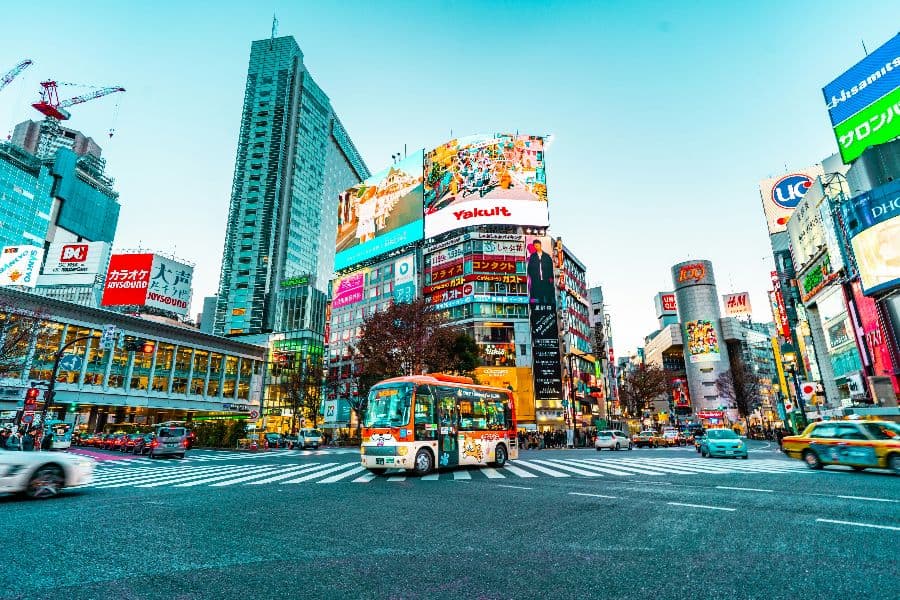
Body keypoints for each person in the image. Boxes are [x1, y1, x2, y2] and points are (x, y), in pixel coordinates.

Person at [526, 239, 556, 306]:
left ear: (540, 245)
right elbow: (529, 269)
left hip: (546, 280)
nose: (536, 247)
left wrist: (550, 278)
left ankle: (548, 308)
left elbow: (551, 268)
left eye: (538, 245)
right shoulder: (533, 256)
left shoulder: (547, 256)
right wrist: (533, 277)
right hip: (536, 280)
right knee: (537, 296)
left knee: (547, 296)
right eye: (535, 246)